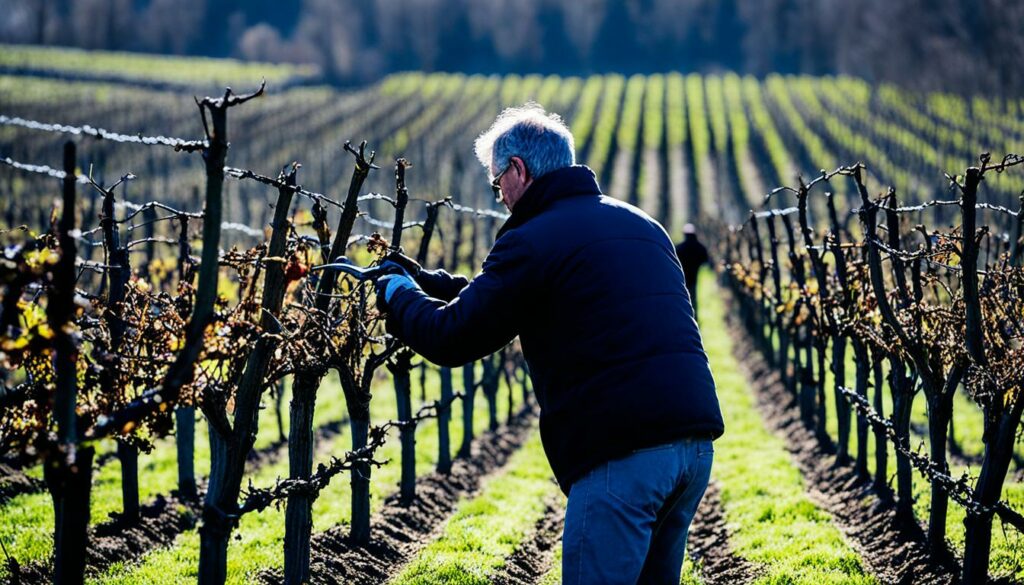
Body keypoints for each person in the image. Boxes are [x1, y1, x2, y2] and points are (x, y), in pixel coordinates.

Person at [374, 104, 724, 585]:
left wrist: (397, 296)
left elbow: (453, 337)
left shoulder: (533, 238)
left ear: (519, 170)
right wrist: (432, 285)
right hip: (693, 448)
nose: (499, 198)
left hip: (623, 451)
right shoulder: (641, 224)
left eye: (498, 183)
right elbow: (527, 301)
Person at [674, 223, 710, 320]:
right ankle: (694, 318)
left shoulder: (679, 248)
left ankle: (684, 317)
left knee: (683, 297)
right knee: (693, 297)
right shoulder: (700, 247)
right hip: (694, 276)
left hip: (682, 277)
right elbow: (706, 261)